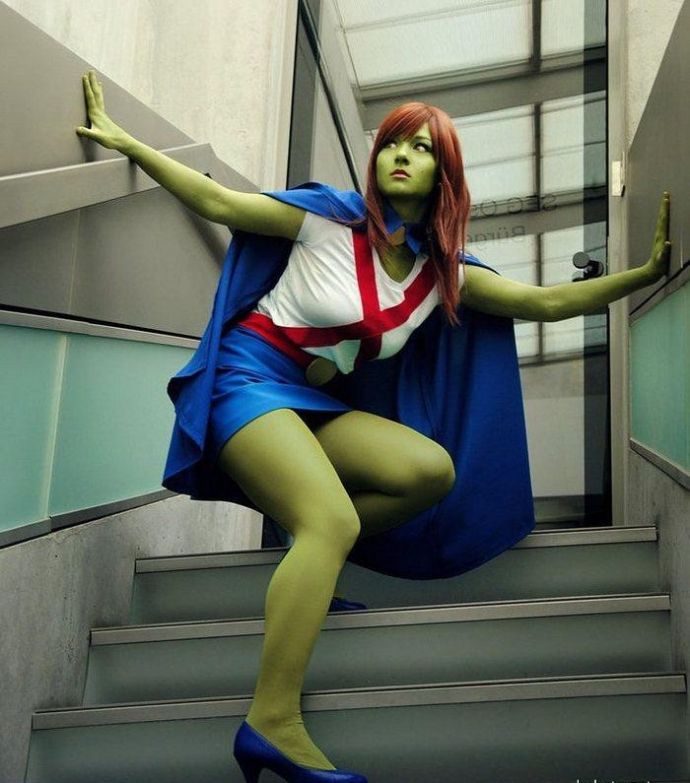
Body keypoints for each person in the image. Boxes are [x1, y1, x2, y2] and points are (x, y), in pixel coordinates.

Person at [76, 68, 671, 783]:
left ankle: (314, 551)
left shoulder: (441, 278)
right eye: (394, 142)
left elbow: (541, 302)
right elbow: (220, 202)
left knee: (429, 471)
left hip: (305, 403)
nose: (401, 155)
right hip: (244, 380)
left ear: (443, 174)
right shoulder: (327, 220)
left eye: (421, 148)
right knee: (329, 520)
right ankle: (271, 719)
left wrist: (642, 274)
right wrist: (127, 144)